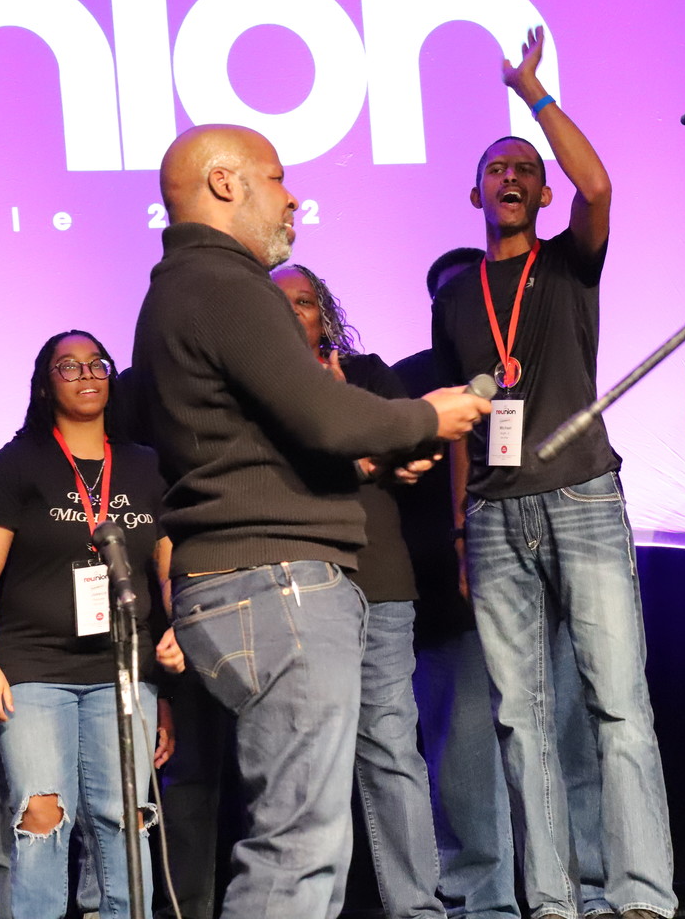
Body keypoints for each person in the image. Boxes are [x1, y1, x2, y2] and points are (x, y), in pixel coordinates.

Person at [132, 123, 490, 918]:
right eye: (276, 177)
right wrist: (426, 417)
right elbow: (323, 413)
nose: (292, 198)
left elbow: (259, 445)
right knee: (298, 847)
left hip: (249, 586)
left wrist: (371, 464)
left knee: (306, 845)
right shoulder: (223, 283)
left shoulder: (184, 288)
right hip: (276, 588)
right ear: (225, 183)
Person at [430, 28, 675, 919]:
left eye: (525, 171)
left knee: (618, 703)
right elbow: (461, 424)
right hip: (496, 518)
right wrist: (463, 528)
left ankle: (642, 897)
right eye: (497, 169)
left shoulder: (570, 261)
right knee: (518, 720)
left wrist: (531, 92)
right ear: (475, 192)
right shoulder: (455, 295)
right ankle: (552, 902)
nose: (511, 178)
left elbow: (599, 186)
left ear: (541, 193)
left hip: (580, 495)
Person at [0, 330, 175, 919]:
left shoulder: (145, 465)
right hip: (32, 668)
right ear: (44, 385)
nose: (86, 375)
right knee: (42, 812)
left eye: (96, 363)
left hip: (123, 668)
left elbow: (169, 569)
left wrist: (180, 628)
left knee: (125, 816)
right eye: (69, 366)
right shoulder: (15, 465)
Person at [272, 263, 448, 918]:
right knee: (304, 758)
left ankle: (417, 908)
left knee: (392, 745)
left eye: (305, 301)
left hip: (379, 581)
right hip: (296, 589)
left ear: (324, 313)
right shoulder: (256, 389)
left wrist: (349, 418)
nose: (294, 312)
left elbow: (409, 444)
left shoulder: (369, 373)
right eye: (280, 303)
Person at [0, 498, 111, 919]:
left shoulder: (112, 501)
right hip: (10, 679)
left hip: (100, 675)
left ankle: (98, 911)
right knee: (11, 816)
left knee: (104, 814)